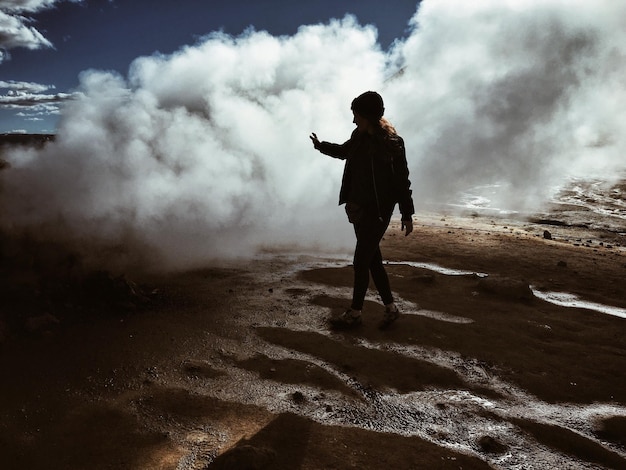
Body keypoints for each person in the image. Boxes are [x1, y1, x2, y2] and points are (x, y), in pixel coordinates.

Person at [310, 91, 415, 329]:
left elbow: (402, 181)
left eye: (356, 114)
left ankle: (355, 313)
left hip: (378, 212)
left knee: (360, 261)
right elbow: (344, 151)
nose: (353, 120)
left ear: (367, 115)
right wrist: (320, 146)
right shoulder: (358, 137)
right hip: (358, 209)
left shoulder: (392, 144)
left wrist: (407, 213)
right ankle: (390, 308)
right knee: (372, 260)